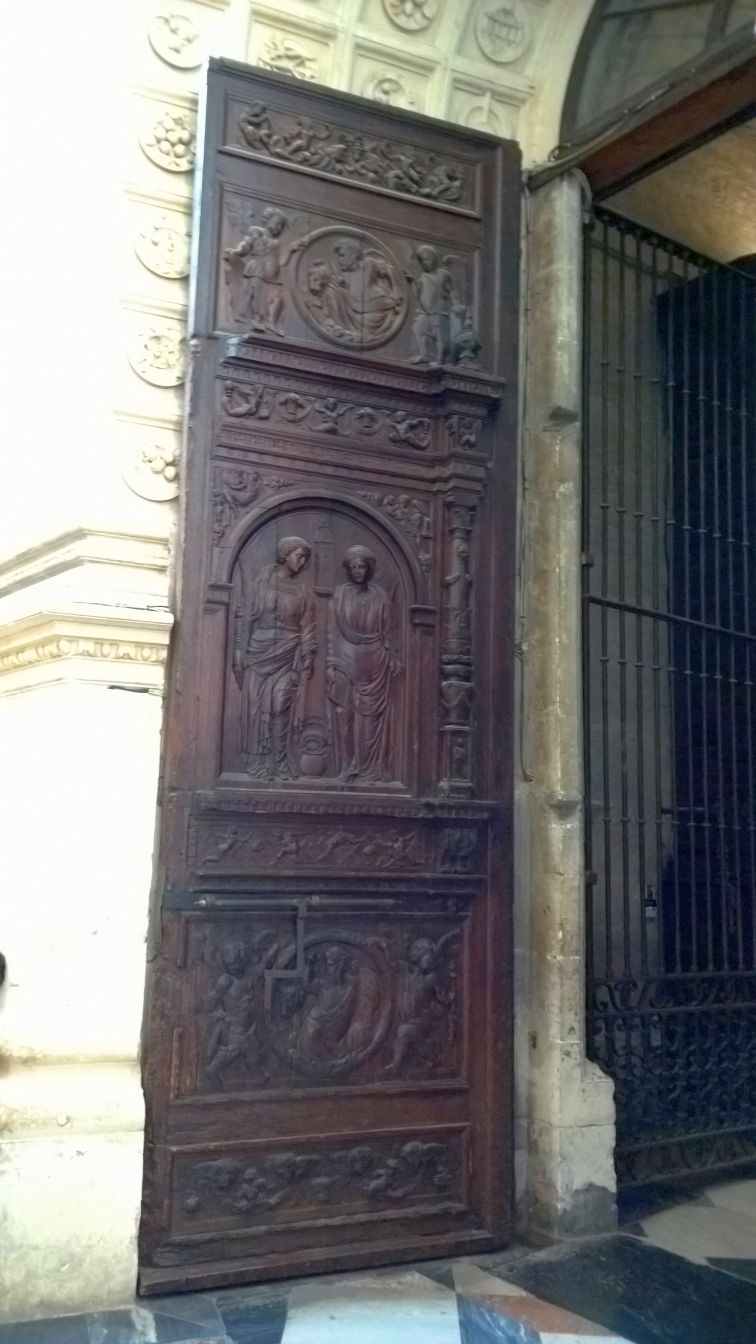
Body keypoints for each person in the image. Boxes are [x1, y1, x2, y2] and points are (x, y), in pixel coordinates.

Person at [234, 536, 316, 779]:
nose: (302, 562)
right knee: (256, 709)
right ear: (285, 554)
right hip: (258, 652)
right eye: (299, 556)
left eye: (305, 558)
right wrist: (238, 649)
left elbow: (308, 625)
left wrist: (308, 655)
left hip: (288, 653)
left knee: (281, 705)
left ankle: (280, 762)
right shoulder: (262, 581)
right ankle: (259, 763)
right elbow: (244, 615)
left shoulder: (303, 590)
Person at [326, 545, 399, 782]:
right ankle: (346, 765)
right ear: (348, 569)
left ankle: (369, 768)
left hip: (375, 661)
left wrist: (393, 655)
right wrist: (330, 662)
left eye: (362, 566)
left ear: (369, 568)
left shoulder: (380, 595)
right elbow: (332, 631)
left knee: (370, 719)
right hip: (345, 658)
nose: (358, 570)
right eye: (354, 567)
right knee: (343, 712)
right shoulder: (341, 594)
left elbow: (388, 629)